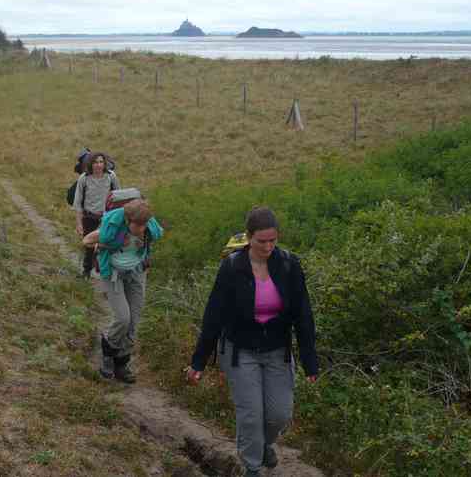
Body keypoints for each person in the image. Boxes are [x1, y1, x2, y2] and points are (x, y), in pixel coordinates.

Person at [185, 206, 318, 477]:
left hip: (277, 350)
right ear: (248, 237)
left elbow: (303, 314)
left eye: (273, 240)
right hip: (240, 350)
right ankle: (252, 467)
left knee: (279, 415)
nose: (268, 247)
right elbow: (214, 315)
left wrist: (309, 360)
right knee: (251, 414)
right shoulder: (233, 267)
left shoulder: (289, 265)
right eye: (261, 241)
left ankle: (264, 444)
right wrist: (199, 361)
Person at [83, 199, 163, 383]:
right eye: (138, 225)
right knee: (122, 319)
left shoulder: (147, 229)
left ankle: (122, 363)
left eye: (144, 225)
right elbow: (86, 240)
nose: (142, 229)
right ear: (127, 221)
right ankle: (108, 354)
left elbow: (151, 238)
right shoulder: (113, 229)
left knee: (133, 323)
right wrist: (104, 245)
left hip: (137, 273)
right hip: (114, 274)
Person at [72, 152, 119, 277]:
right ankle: (86, 271)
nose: (98, 165)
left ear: (104, 163)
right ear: (90, 164)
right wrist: (79, 223)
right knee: (88, 245)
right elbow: (77, 202)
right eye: (95, 162)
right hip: (89, 216)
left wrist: (117, 217)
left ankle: (105, 272)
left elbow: (118, 196)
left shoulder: (111, 176)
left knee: (107, 244)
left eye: (101, 162)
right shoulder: (84, 178)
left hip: (107, 218)